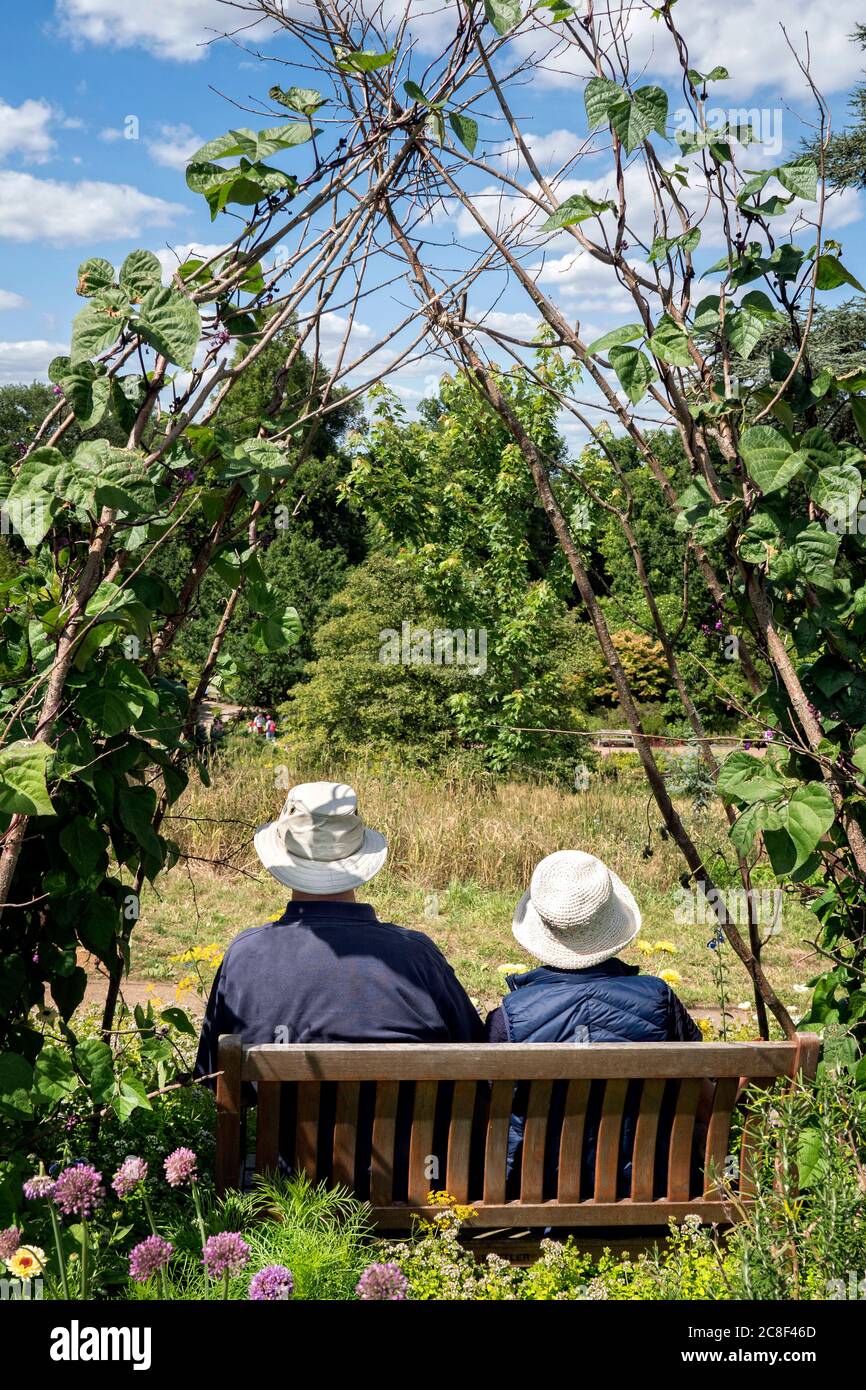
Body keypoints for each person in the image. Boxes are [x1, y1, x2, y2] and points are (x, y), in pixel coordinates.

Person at [195, 781, 483, 1189]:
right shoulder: (416, 957)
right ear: (359, 856)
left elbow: (217, 1084)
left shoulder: (246, 957)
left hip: (285, 1193)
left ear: (283, 856)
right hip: (410, 1189)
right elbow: (475, 1061)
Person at [485, 850, 703, 1201]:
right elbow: (699, 1088)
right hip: (647, 1187)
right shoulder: (659, 1000)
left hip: (534, 1192)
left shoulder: (509, 1017)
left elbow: (490, 1108)